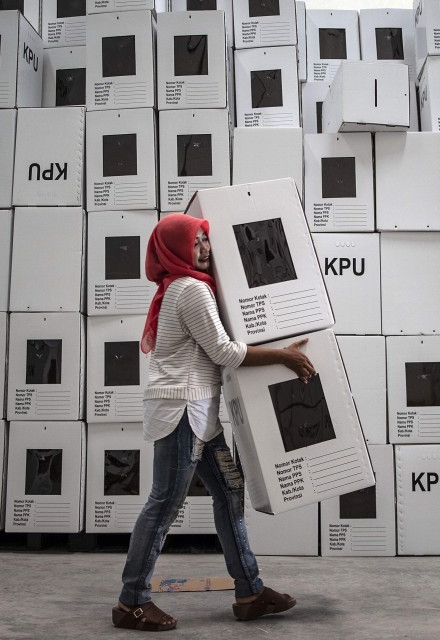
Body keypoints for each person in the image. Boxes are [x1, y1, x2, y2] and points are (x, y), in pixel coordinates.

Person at [113, 213, 315, 632]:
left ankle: (250, 593)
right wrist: (284, 357)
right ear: (175, 250)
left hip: (201, 414)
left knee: (229, 491)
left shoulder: (187, 286)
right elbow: (224, 352)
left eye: (206, 239)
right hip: (182, 412)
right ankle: (131, 602)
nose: (204, 248)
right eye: (195, 242)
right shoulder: (191, 290)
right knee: (164, 505)